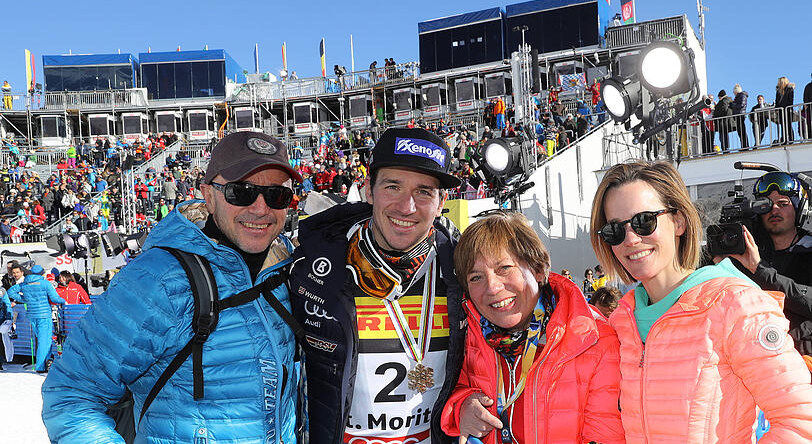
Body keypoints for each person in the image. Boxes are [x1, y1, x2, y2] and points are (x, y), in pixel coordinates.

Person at [42, 132, 304, 442]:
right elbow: (72, 395)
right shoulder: (158, 279)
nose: (261, 209)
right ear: (208, 195)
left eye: (277, 195)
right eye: (241, 192)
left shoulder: (291, 272)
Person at [589, 160, 812, 442]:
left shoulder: (734, 305)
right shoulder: (620, 322)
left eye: (644, 221)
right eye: (615, 230)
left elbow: (800, 421)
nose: (631, 239)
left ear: (679, 221)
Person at [289, 127, 466, 443]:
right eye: (393, 186)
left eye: (424, 191)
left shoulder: (465, 269)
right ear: (368, 190)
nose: (406, 207)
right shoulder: (311, 267)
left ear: (441, 202)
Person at [440, 212, 623, 443]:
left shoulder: (594, 339)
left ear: (537, 269)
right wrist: (462, 406)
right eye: (476, 277)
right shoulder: (469, 333)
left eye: (504, 268)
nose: (492, 288)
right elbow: (454, 390)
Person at [715, 171, 812, 356]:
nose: (774, 210)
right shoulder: (744, 251)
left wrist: (759, 270)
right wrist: (720, 267)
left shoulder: (808, 249)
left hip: (801, 360)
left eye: (783, 204)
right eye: (766, 204)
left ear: (800, 209)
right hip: (754, 358)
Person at [7, 264, 66, 373]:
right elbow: (54, 298)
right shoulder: (45, 283)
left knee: (43, 340)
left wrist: (25, 300)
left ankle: (47, 362)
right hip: (44, 315)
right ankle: (40, 367)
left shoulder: (25, 283)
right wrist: (64, 301)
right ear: (42, 273)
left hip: (32, 315)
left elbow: (10, 292)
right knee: (45, 341)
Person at [775, 76, 796, 143]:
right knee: (782, 125)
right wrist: (776, 108)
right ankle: (784, 139)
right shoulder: (778, 90)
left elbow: (790, 100)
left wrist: (788, 107)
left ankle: (791, 139)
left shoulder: (790, 89)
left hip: (787, 110)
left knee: (788, 124)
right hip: (781, 110)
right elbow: (777, 101)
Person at [731, 84, 749, 149]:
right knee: (740, 132)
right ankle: (744, 146)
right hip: (739, 115)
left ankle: (745, 146)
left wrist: (733, 105)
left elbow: (741, 105)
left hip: (740, 115)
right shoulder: (740, 96)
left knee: (742, 131)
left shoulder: (742, 96)